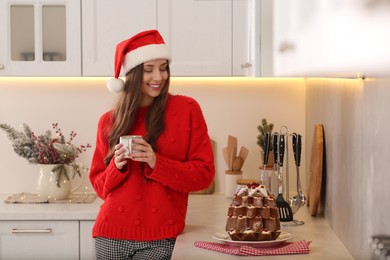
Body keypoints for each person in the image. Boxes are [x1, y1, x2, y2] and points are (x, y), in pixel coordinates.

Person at [89, 29, 215, 260]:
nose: (158, 77)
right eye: (148, 70)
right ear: (133, 74)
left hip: (162, 237)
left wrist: (156, 162)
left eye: (163, 67)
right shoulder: (109, 121)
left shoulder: (187, 109)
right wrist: (116, 167)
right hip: (111, 233)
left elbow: (204, 175)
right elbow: (99, 186)